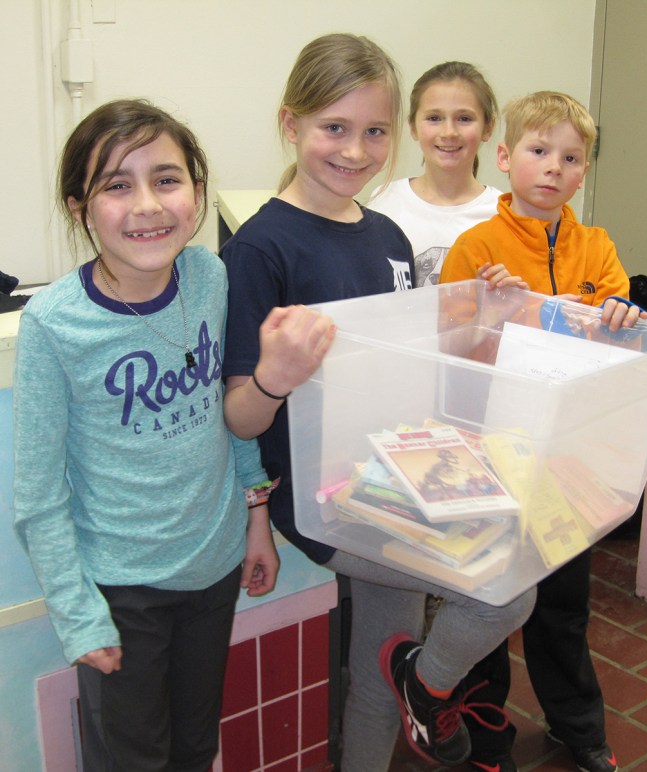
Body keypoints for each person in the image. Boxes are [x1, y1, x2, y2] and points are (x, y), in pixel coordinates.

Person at [221, 33, 536, 772]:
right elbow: (238, 416)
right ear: (290, 123)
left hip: (393, 477)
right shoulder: (261, 248)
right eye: (334, 127)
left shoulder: (388, 234)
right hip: (326, 502)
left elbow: (410, 367)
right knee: (503, 591)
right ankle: (427, 687)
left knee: (375, 672)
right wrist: (274, 378)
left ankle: (406, 688)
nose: (355, 150)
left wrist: (480, 323)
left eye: (374, 131)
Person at [13, 99, 334, 771]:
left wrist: (255, 520)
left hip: (212, 568)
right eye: (116, 185)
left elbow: (229, 414)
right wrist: (77, 613)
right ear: (80, 208)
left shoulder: (209, 276)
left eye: (166, 179)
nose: (147, 205)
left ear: (196, 189)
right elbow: (38, 496)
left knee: (194, 747)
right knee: (133, 759)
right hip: (120, 591)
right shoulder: (54, 323)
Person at [441, 91, 647, 772]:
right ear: (505, 157)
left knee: (563, 604)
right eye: (538, 151)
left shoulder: (597, 246)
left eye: (571, 158)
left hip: (567, 459)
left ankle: (579, 727)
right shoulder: (478, 247)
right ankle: (484, 736)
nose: (554, 167)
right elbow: (449, 350)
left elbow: (621, 338)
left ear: (584, 172)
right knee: (490, 598)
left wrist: (622, 318)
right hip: (491, 451)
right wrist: (489, 312)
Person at [369, 61, 502, 287]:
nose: (449, 132)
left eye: (464, 118)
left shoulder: (501, 213)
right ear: (413, 127)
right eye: (434, 118)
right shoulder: (384, 201)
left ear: (488, 128)